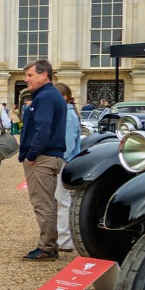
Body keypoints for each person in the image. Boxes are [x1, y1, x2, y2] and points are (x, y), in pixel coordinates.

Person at [18, 59, 68, 261]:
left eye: (30, 75)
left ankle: (47, 247)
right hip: (49, 155)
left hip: (43, 157)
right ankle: (50, 244)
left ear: (44, 74)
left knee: (43, 203)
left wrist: (31, 155)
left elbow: (43, 128)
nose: (26, 79)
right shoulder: (50, 95)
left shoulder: (45, 97)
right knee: (47, 202)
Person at [53, 83, 81, 255]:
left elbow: (68, 145)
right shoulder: (67, 114)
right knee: (60, 200)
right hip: (64, 160)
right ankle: (61, 237)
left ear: (64, 97)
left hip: (64, 162)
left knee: (63, 200)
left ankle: (64, 240)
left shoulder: (68, 117)